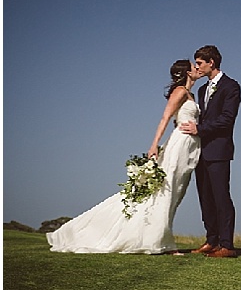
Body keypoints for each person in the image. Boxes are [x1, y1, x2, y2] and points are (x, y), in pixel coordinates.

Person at [46, 60, 202, 254]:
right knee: (166, 192)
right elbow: (165, 117)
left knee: (176, 192)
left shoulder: (191, 94)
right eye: (194, 67)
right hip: (180, 144)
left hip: (189, 146)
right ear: (187, 72)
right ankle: (162, 243)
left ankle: (157, 237)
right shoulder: (179, 91)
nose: (197, 69)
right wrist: (154, 144)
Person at [180, 45, 241, 258]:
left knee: (221, 196)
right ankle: (211, 240)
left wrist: (200, 129)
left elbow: (227, 119)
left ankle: (227, 245)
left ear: (211, 63)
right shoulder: (202, 90)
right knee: (205, 197)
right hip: (201, 151)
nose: (197, 67)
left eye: (199, 63)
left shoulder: (231, 87)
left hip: (219, 151)